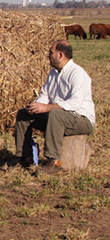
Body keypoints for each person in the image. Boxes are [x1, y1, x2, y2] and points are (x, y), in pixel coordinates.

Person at [14, 40, 95, 174]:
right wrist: (37, 106)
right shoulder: (53, 73)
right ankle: (25, 157)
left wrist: (47, 108)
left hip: (81, 119)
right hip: (59, 117)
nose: (48, 55)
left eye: (51, 52)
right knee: (24, 114)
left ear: (60, 55)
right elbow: (45, 95)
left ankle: (53, 161)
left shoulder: (78, 74)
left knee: (55, 114)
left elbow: (75, 103)